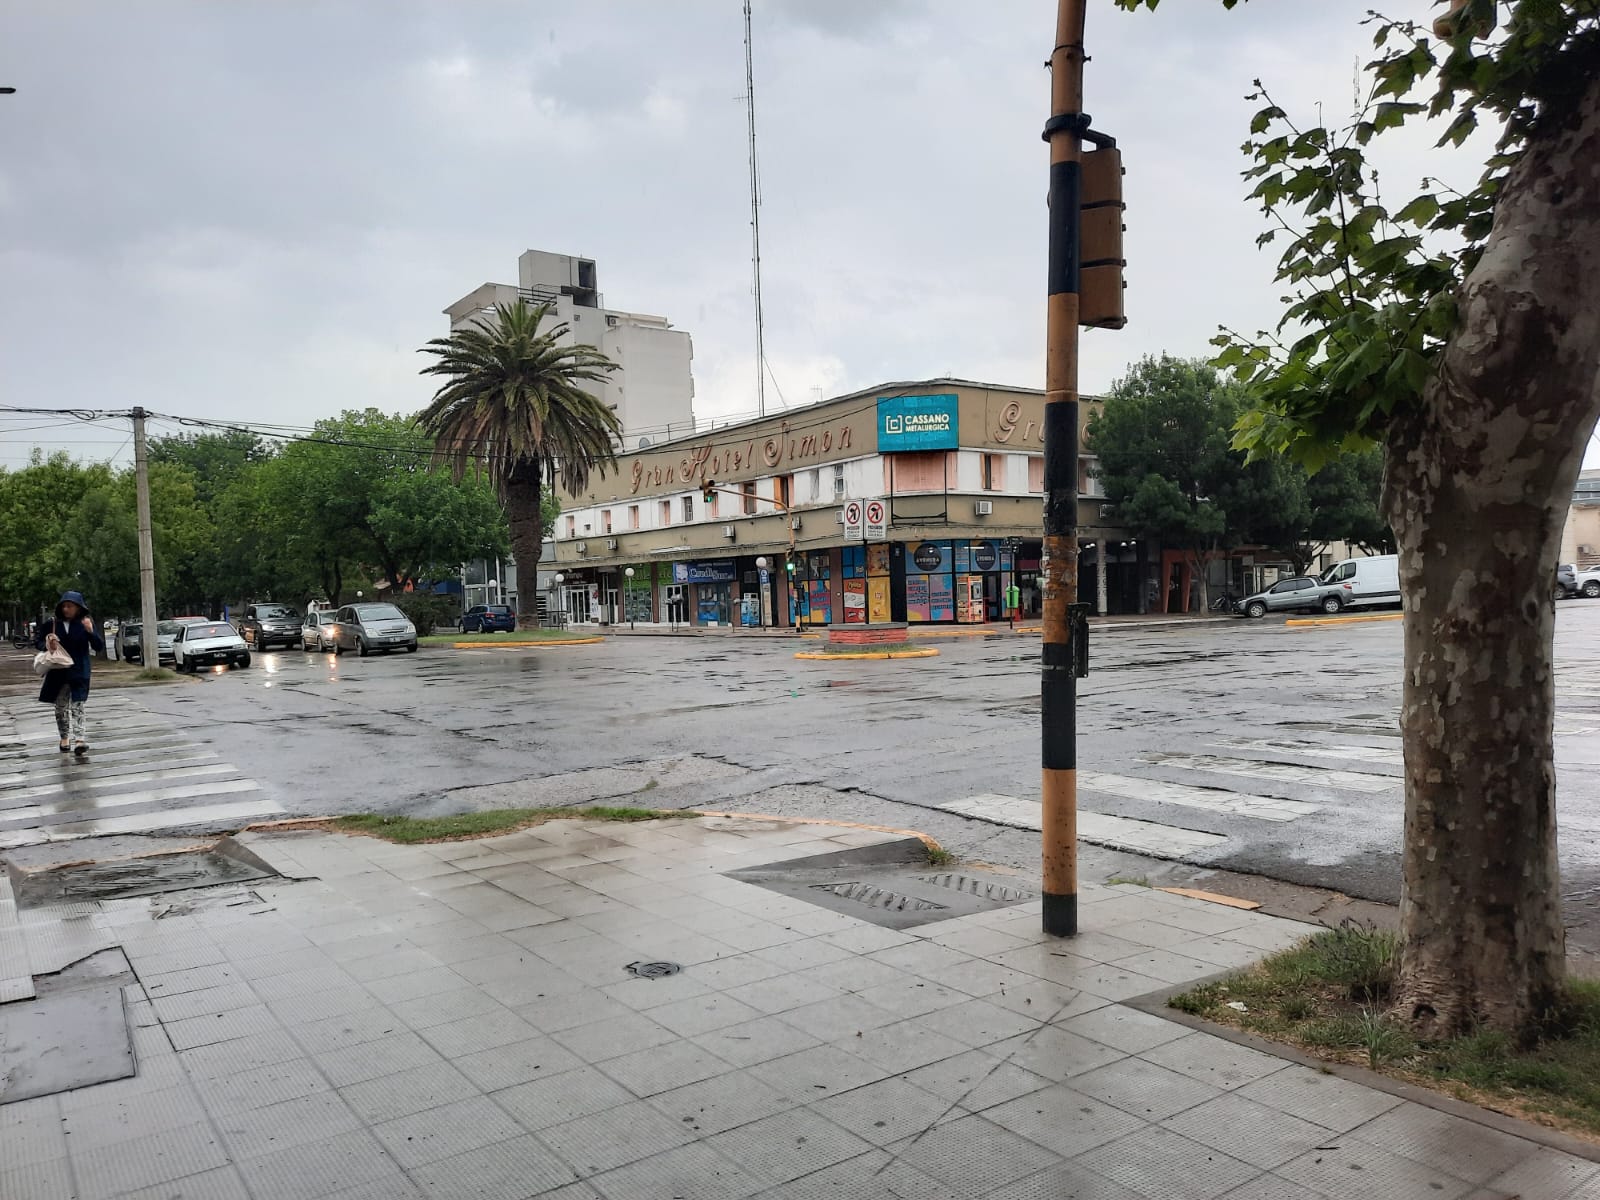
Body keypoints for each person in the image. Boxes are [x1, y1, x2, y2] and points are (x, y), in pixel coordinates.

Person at [35, 590, 104, 756]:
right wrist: (47, 645)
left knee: (77, 706)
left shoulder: (85, 622)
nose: (66, 609)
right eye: (64, 606)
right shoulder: (52, 624)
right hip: (58, 671)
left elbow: (98, 646)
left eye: (70, 606)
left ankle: (80, 740)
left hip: (79, 670)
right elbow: (37, 642)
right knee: (60, 708)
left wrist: (90, 631)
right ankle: (64, 737)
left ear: (79, 608)